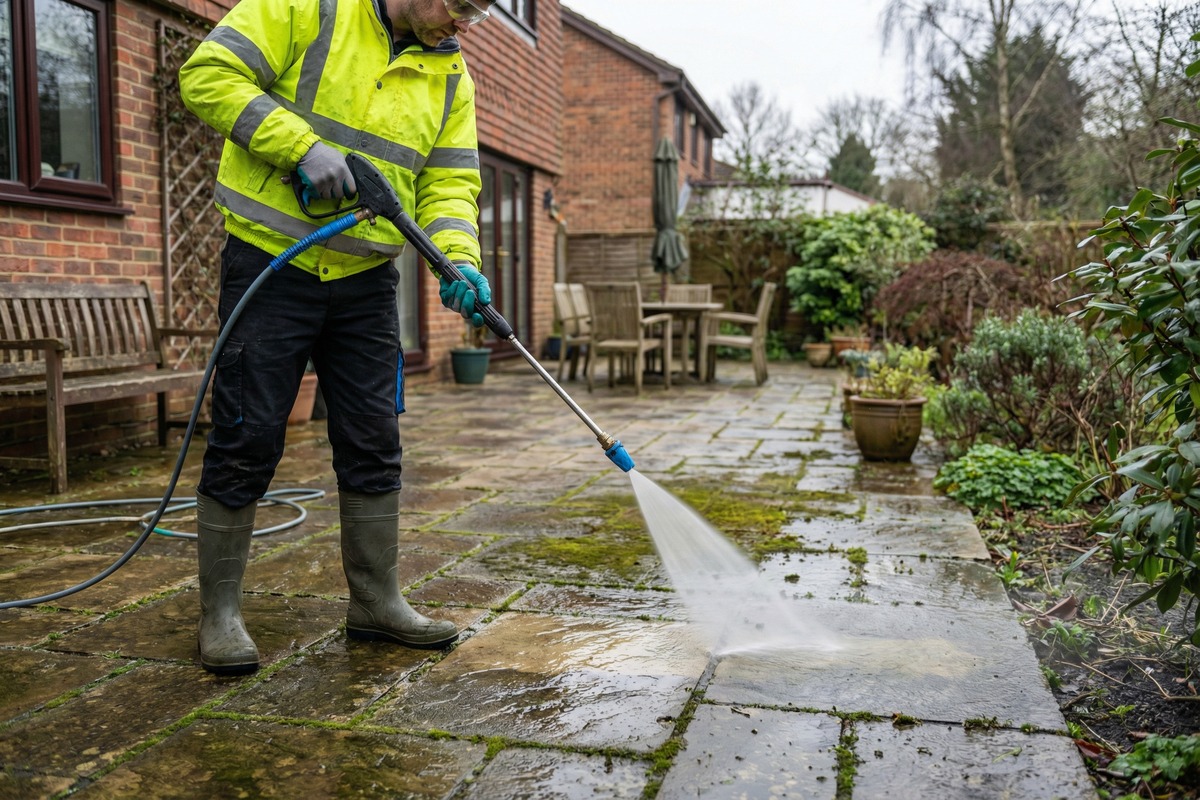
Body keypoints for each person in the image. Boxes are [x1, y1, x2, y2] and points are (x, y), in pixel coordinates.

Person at [178, 0, 496, 674]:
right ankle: (220, 615)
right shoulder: (308, 6)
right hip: (272, 261)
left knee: (375, 436)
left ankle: (376, 603)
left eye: (480, 11)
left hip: (366, 280)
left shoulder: (450, 73)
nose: (462, 22)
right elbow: (208, 73)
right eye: (459, 4)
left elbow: (448, 181)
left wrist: (457, 257)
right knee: (247, 432)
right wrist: (302, 146)